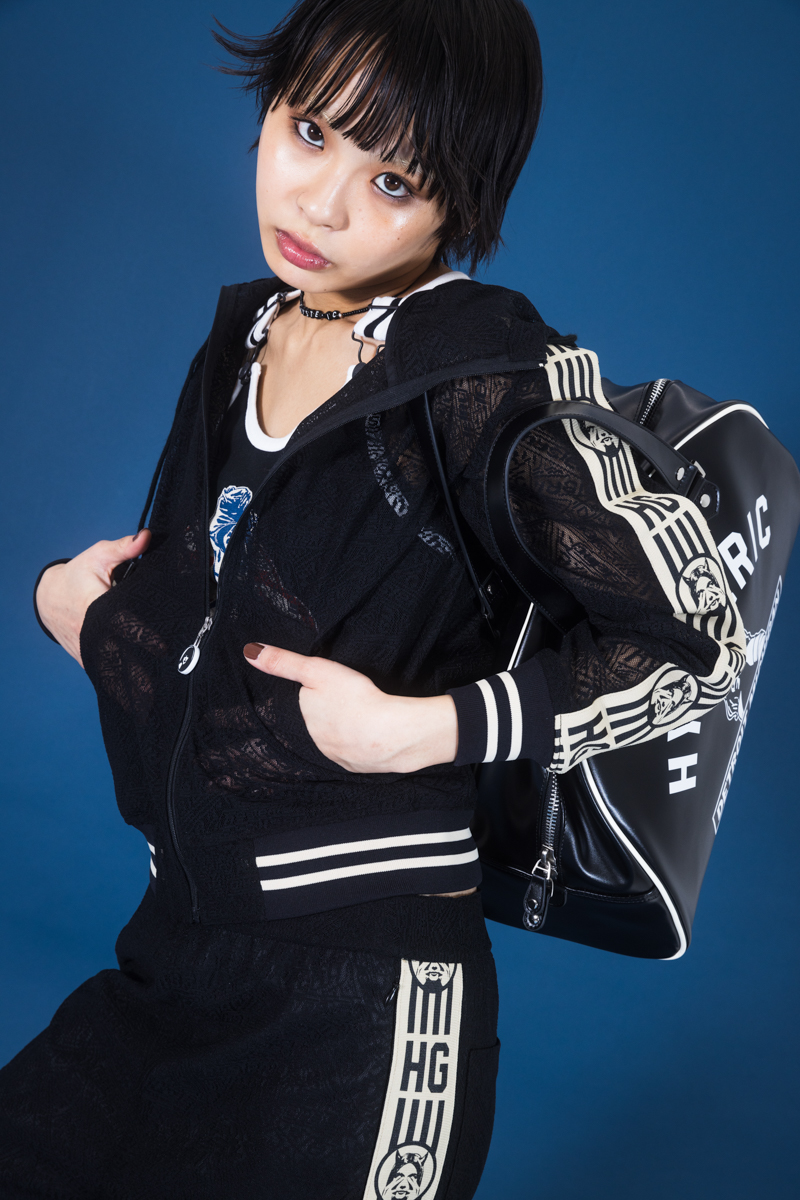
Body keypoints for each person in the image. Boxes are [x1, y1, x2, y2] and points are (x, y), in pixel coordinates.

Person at [0, 0, 745, 1197]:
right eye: (309, 133)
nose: (323, 205)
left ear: (459, 204)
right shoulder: (244, 339)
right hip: (174, 958)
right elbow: (216, 658)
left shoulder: (478, 381)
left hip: (360, 1016)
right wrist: (80, 613)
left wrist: (420, 730)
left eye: (392, 179)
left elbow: (695, 650)